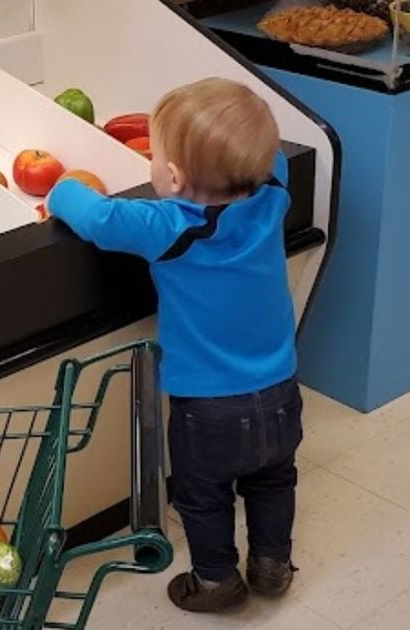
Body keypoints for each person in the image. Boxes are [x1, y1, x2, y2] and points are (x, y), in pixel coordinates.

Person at [47, 78, 303, 613]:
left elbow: (96, 217)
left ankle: (216, 581)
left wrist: (63, 188)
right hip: (280, 389)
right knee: (273, 480)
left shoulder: (168, 225)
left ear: (174, 176)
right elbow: (269, 153)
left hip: (206, 409)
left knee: (202, 497)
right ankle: (271, 564)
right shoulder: (273, 195)